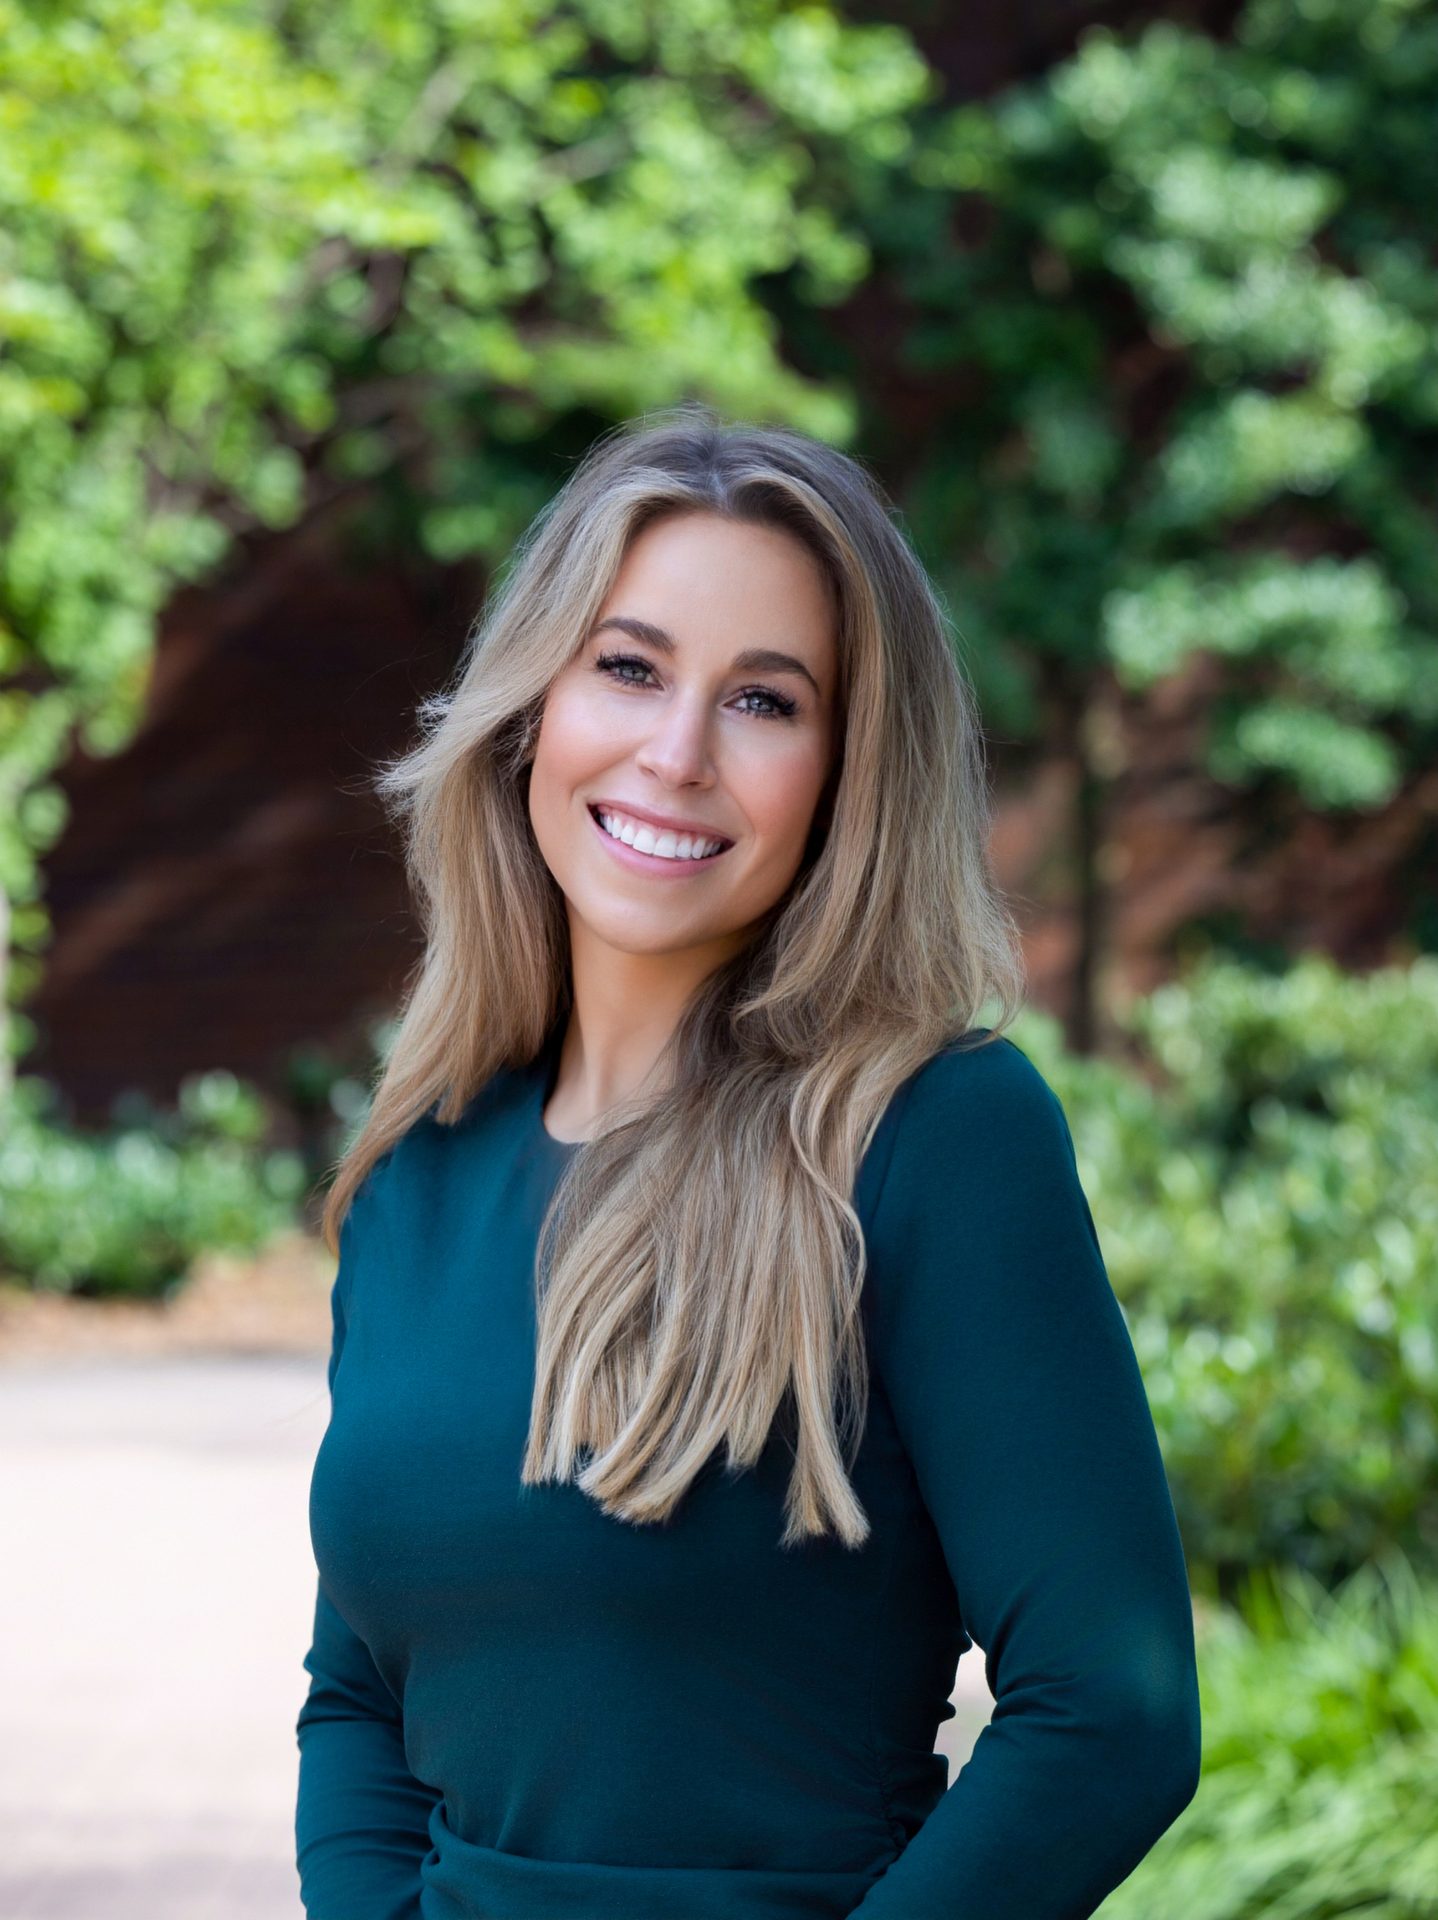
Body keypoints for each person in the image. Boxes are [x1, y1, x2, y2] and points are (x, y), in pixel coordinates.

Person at [294, 406, 1201, 1919]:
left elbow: (1110, 1714)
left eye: (765, 702)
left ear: (849, 772)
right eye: (629, 667)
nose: (676, 753)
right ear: (534, 703)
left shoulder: (932, 1136)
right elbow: (358, 1699)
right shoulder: (416, 1170)